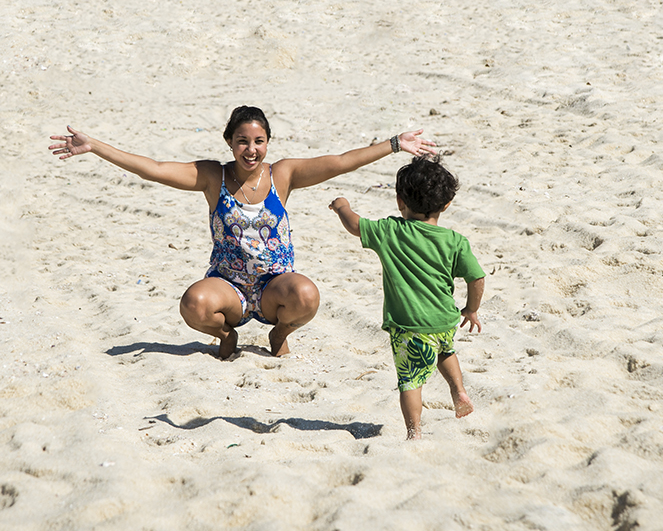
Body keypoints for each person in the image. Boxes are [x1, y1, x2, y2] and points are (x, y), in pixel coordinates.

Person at [49, 106, 436, 359]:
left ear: (267, 142)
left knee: (307, 295)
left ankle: (279, 333)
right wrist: (96, 147)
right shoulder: (211, 176)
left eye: (259, 141)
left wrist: (394, 145)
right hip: (229, 285)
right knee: (193, 304)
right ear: (229, 143)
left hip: (273, 287)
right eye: (242, 142)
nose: (251, 150)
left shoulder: (282, 175)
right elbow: (152, 167)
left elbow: (338, 162)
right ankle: (227, 337)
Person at [329, 156, 485, 439]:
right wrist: (471, 309)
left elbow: (354, 225)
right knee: (444, 351)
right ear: (447, 204)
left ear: (400, 201)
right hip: (445, 320)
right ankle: (459, 391)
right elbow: (476, 277)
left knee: (410, 380)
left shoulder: (390, 231)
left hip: (409, 328)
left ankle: (414, 433)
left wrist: (342, 206)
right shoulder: (455, 241)